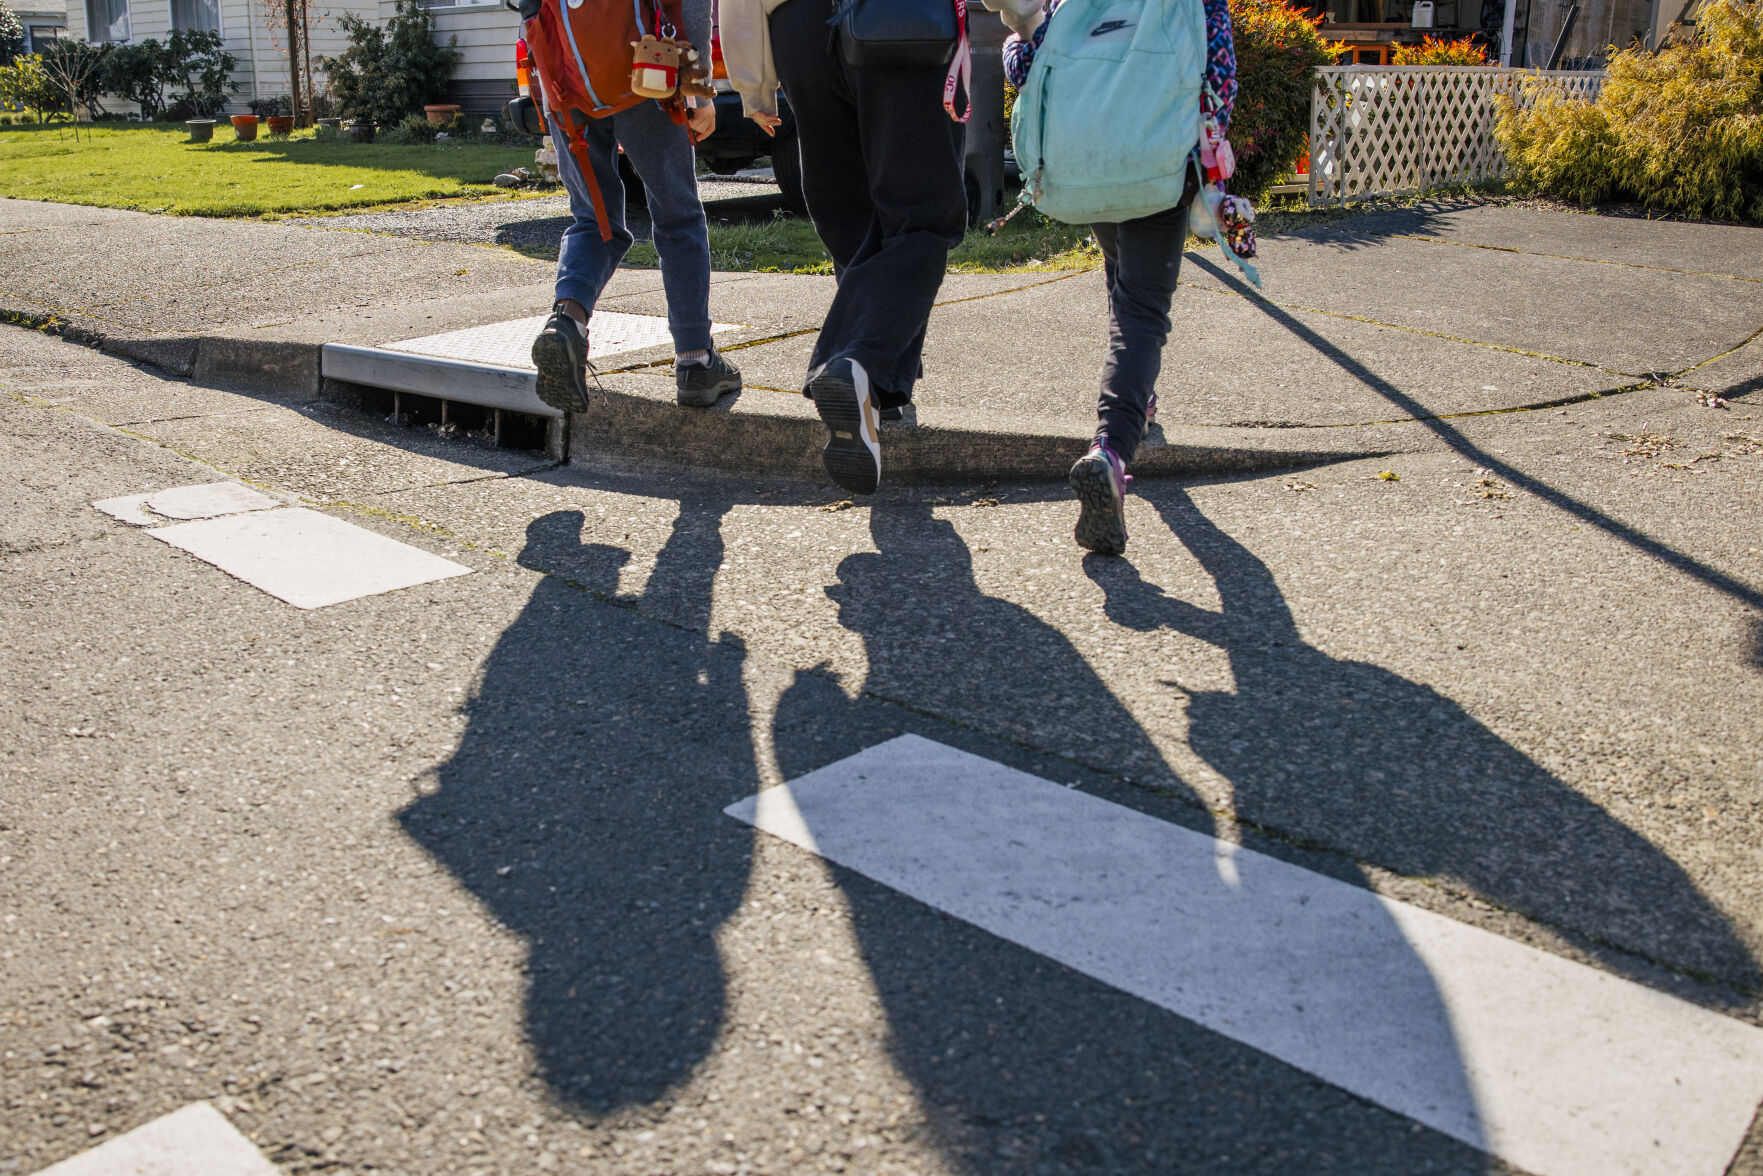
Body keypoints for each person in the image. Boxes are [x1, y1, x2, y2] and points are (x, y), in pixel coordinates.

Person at [1001, 0, 1237, 557]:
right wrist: (1210, 154)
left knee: (1121, 284)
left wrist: (1016, 36)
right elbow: (1219, 73)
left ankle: (1141, 398)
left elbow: (1025, 65)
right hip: (1157, 161)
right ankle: (1111, 450)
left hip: (1087, 162)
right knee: (1141, 312)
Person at [720, 0, 969, 495]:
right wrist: (1024, 17)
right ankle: (853, 362)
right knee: (922, 216)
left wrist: (752, 81)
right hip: (902, 20)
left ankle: (880, 395)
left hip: (798, 28)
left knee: (849, 213)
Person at [528, 0, 743, 416]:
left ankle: (566, 323)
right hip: (648, 73)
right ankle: (695, 361)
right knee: (677, 217)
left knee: (593, 219)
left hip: (565, 79)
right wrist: (697, 86)